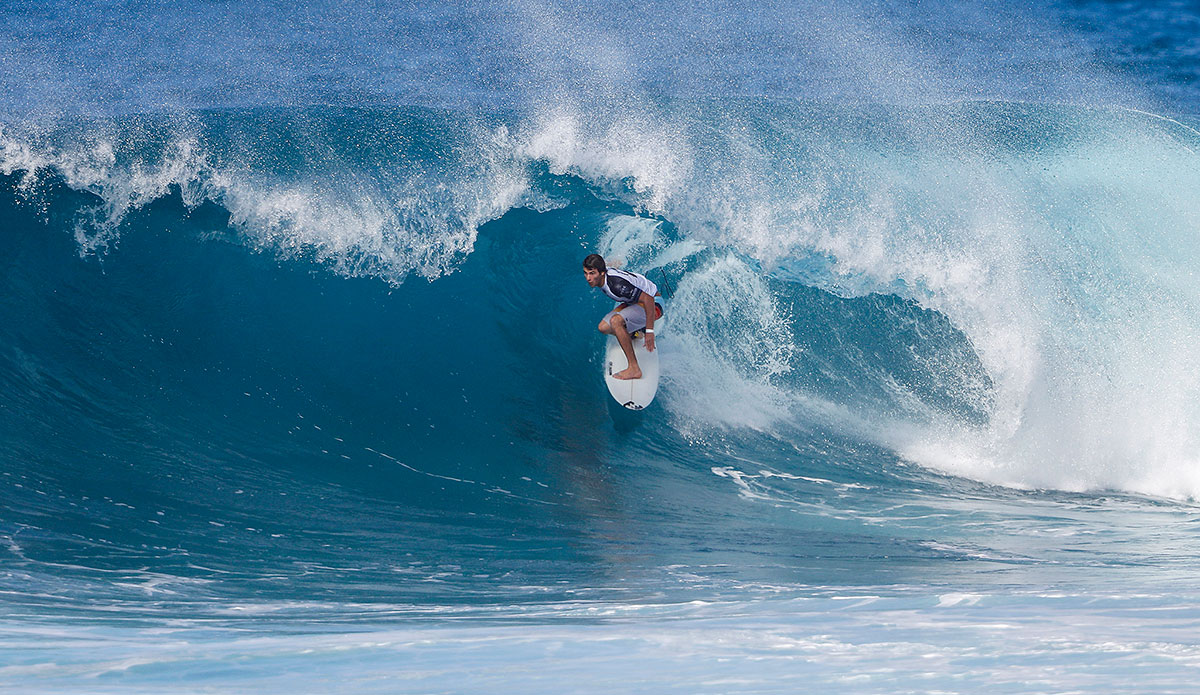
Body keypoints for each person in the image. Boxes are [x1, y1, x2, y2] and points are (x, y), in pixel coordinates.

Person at [583, 254, 661, 380]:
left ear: (602, 273)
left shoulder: (616, 286)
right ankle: (635, 333)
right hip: (635, 302)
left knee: (616, 322)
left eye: (592, 273)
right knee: (603, 327)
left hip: (654, 304)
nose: (588, 278)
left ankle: (634, 369)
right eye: (586, 273)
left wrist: (650, 331)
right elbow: (608, 265)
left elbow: (648, 299)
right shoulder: (604, 273)